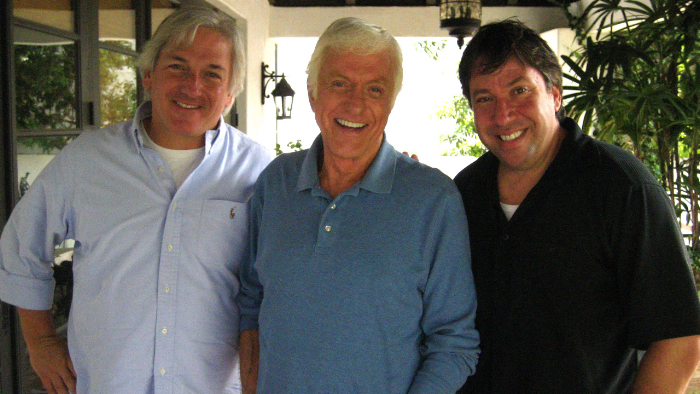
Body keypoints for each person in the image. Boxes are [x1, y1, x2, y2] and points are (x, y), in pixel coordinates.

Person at [0, 5, 272, 393]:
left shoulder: (259, 172)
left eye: (212, 74)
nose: (192, 86)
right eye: (177, 66)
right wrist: (40, 343)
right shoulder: (87, 159)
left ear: (229, 93)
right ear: (148, 74)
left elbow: (275, 285)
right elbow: (21, 246)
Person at [453, 19, 700, 393]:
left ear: (554, 94)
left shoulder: (621, 186)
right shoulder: (465, 192)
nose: (503, 115)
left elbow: (679, 338)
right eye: (484, 98)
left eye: (519, 90)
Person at [236, 17, 480, 394]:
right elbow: (251, 300)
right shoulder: (275, 183)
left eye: (375, 89)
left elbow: (455, 344)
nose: (355, 103)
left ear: (391, 102)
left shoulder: (434, 200)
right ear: (313, 91)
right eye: (339, 84)